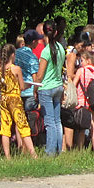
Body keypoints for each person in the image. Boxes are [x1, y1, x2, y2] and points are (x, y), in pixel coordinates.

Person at [0, 44, 36, 158]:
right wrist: (28, 86)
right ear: (13, 55)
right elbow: (22, 86)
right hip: (14, 99)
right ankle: (33, 153)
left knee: (5, 127)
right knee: (22, 124)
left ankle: (7, 156)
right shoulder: (16, 69)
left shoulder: (0, 70)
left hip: (4, 98)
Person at [33, 21, 65, 156]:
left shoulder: (46, 51)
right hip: (58, 86)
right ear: (56, 32)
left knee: (49, 121)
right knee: (57, 120)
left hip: (46, 88)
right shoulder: (61, 48)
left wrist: (34, 89)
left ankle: (50, 151)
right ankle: (59, 149)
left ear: (43, 33)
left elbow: (40, 75)